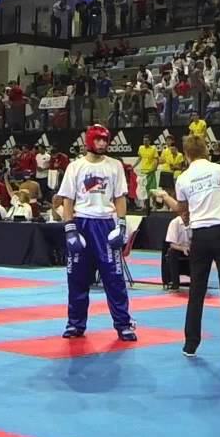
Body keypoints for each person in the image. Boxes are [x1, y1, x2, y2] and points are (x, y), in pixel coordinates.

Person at [54, 125, 136, 341]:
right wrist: (69, 229)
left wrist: (122, 225)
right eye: (98, 139)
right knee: (77, 277)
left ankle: (123, 324)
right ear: (90, 141)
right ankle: (75, 324)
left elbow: (120, 197)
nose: (102, 143)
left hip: (106, 224)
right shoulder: (75, 167)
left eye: (105, 140)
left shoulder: (115, 165)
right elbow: (68, 200)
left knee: (114, 277)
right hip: (81, 222)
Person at [175, 135, 220, 359]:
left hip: (201, 234)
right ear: (206, 150)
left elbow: (183, 210)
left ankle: (190, 344)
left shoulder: (183, 178)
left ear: (186, 154)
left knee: (197, 291)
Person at [163, 214, 190, 290]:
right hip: (178, 249)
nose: (186, 215)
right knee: (172, 252)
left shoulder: (194, 222)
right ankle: (175, 283)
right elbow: (172, 244)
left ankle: (197, 282)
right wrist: (183, 248)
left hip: (191, 248)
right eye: (184, 213)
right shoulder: (175, 223)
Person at [137, 134, 159, 209]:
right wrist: (133, 166)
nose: (145, 142)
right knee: (143, 190)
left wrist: (155, 168)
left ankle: (154, 205)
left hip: (151, 172)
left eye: (146, 141)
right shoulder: (140, 148)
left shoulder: (153, 148)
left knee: (152, 189)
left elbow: (156, 159)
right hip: (143, 173)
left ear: (149, 141)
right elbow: (139, 158)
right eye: (144, 141)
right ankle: (146, 206)